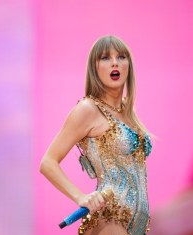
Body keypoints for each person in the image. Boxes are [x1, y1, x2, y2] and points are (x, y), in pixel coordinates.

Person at [40, 35, 153, 235]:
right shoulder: (88, 109)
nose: (115, 63)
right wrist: (80, 197)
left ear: (129, 65)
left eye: (121, 57)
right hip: (109, 217)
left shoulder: (128, 111)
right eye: (105, 58)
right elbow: (48, 162)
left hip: (139, 225)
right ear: (95, 68)